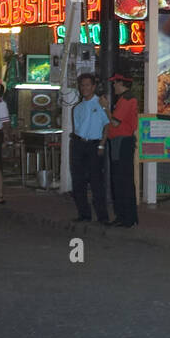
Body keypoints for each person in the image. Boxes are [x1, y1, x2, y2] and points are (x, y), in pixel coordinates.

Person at [70, 73, 110, 225]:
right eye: (82, 85)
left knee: (96, 181)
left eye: (88, 85)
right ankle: (84, 214)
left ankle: (102, 216)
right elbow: (77, 128)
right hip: (79, 144)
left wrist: (101, 144)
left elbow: (107, 125)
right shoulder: (77, 108)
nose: (85, 88)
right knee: (78, 180)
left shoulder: (100, 103)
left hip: (94, 144)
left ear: (93, 87)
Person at [106, 73, 139, 228]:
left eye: (115, 83)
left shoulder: (125, 100)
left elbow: (115, 122)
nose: (113, 86)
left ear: (121, 83)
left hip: (122, 143)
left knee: (121, 181)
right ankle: (129, 217)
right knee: (124, 180)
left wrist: (105, 107)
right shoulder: (127, 98)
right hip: (123, 142)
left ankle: (124, 217)